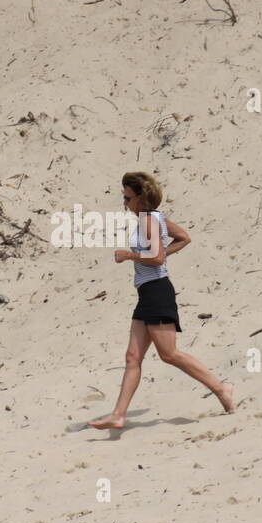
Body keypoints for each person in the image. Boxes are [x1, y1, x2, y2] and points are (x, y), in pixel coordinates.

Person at [89, 172, 234, 430]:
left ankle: (222, 388)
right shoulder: (154, 218)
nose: (124, 203)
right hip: (147, 292)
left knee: (169, 354)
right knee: (133, 356)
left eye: (127, 198)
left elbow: (156, 260)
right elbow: (184, 238)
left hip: (157, 291)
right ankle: (119, 415)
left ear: (139, 197)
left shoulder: (148, 220)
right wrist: (160, 253)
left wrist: (129, 255)